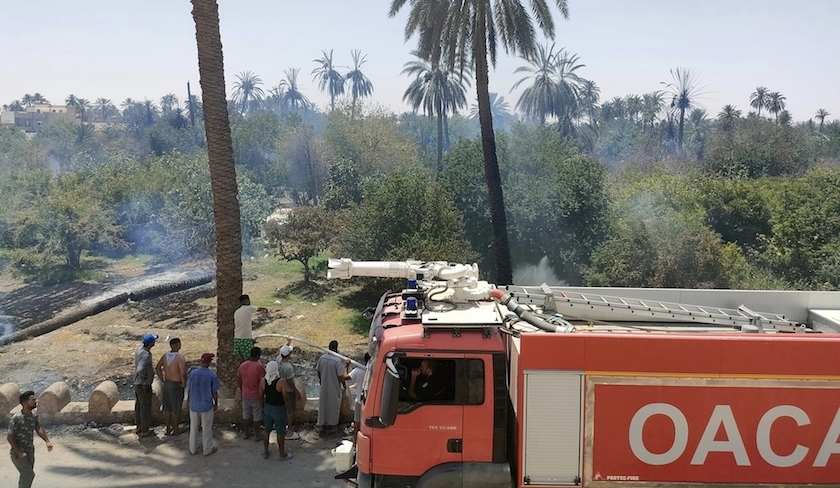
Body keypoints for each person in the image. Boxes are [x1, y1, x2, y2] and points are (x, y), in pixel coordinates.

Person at [7, 390, 53, 488]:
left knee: (26, 476)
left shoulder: (33, 416)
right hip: (18, 453)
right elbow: (10, 436)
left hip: (30, 451)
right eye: (32, 400)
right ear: (24, 403)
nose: (35, 401)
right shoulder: (17, 418)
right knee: (29, 475)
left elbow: (38, 428)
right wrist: (19, 451)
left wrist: (47, 441)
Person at [186, 352, 220, 456]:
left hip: (194, 405)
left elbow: (190, 389)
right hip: (206, 406)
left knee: (193, 428)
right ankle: (207, 449)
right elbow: (214, 392)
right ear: (209, 362)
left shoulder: (193, 373)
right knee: (207, 429)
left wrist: (188, 401)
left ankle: (193, 449)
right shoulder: (212, 375)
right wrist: (216, 403)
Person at [260, 361, 293, 461]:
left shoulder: (263, 380)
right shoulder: (281, 381)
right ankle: (282, 453)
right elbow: (286, 397)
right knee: (280, 431)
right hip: (278, 408)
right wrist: (289, 409)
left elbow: (260, 395)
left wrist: (263, 407)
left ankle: (266, 451)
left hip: (268, 407)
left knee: (266, 430)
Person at [155, 337, 187, 435]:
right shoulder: (179, 358)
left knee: (167, 408)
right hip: (176, 384)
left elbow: (157, 367)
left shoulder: (165, 356)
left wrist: (162, 379)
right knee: (176, 408)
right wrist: (184, 383)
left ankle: (168, 428)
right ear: (177, 345)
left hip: (167, 383)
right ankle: (176, 429)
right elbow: (183, 373)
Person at [316, 340, 346, 435]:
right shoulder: (337, 360)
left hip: (324, 385)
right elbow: (340, 376)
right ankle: (333, 426)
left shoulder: (322, 358)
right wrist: (344, 384)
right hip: (334, 386)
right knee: (334, 405)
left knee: (323, 404)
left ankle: (321, 425)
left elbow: (318, 370)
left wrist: (321, 380)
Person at [237, 346, 266, 440]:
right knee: (257, 415)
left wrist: (242, 389)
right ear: (258, 356)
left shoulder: (243, 365)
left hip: (245, 393)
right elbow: (262, 381)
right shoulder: (259, 367)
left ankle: (246, 433)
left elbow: (239, 379)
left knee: (246, 414)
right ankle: (257, 435)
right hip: (256, 394)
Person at [276, 339, 302, 441]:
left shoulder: (278, 360)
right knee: (291, 411)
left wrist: (288, 343)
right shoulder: (288, 368)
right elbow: (290, 382)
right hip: (288, 391)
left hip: (279, 390)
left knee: (283, 410)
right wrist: (297, 392)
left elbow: (281, 352)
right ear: (288, 355)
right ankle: (290, 432)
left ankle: (281, 428)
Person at [134, 333, 158, 437]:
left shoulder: (139, 350)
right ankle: (145, 430)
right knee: (145, 407)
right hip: (144, 385)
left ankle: (139, 427)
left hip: (137, 384)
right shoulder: (146, 355)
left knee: (139, 406)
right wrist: (144, 377)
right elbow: (140, 369)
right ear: (151, 343)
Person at [343, 353, 370, 446]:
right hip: (370, 402)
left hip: (359, 401)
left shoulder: (358, 370)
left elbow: (345, 377)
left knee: (357, 422)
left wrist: (346, 366)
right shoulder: (376, 371)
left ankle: (356, 442)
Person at [234, 294, 268, 359]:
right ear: (247, 300)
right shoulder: (249, 308)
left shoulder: (237, 311)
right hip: (245, 338)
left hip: (236, 338)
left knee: (240, 358)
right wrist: (265, 309)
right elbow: (259, 309)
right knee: (250, 357)